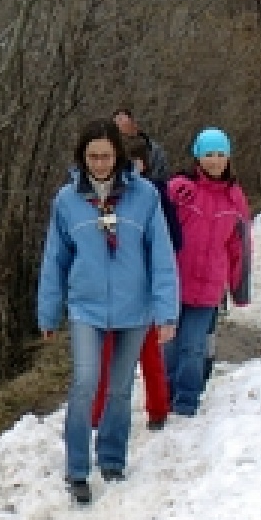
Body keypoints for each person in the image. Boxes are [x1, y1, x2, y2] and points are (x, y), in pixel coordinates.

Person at [38, 119, 180, 505]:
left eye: (106, 156)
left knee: (120, 388)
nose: (99, 164)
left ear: (118, 155)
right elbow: (56, 260)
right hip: (86, 307)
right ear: (82, 158)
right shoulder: (67, 201)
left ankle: (113, 460)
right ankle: (77, 470)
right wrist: (48, 313)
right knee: (85, 383)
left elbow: (162, 257)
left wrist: (167, 312)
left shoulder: (145, 196)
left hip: (135, 308)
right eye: (92, 157)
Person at [89, 133, 181, 431]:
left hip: (141, 293)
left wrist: (161, 291)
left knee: (149, 355)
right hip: (106, 293)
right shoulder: (99, 196)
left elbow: (170, 243)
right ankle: (96, 414)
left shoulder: (152, 195)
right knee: (103, 358)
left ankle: (158, 408)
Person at [162, 128, 252, 417]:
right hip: (173, 283)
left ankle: (187, 402)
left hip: (208, 287)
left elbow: (241, 247)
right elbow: (155, 230)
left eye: (220, 155)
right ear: (197, 157)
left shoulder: (235, 198)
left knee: (193, 347)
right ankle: (165, 397)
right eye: (208, 154)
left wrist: (239, 289)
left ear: (228, 158)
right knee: (170, 347)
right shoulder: (179, 189)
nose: (214, 161)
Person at [113, 108, 172, 183]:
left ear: (134, 125)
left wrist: (142, 174)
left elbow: (162, 180)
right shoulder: (111, 156)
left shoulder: (154, 151)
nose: (123, 136)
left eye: (126, 126)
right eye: (118, 132)